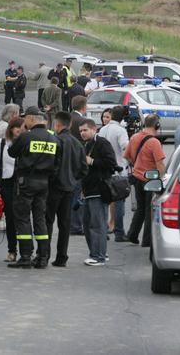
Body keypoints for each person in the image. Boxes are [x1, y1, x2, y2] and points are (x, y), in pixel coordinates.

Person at [7, 106, 61, 269]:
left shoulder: (26, 137)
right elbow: (57, 163)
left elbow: (11, 152)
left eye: (25, 119)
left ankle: (25, 256)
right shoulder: (53, 139)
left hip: (26, 182)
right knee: (40, 219)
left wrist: (23, 133)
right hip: (44, 183)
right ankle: (42, 257)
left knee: (22, 218)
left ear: (30, 119)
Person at [45, 112, 88, 267]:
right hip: (70, 188)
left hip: (54, 188)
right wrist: (73, 179)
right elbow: (84, 169)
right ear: (70, 125)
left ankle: (44, 255)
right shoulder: (78, 144)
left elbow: (50, 165)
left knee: (47, 221)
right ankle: (62, 257)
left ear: (57, 125)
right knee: (65, 224)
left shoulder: (55, 141)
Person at [79, 118, 116, 266]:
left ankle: (98, 256)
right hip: (88, 190)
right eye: (80, 131)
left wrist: (93, 161)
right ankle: (99, 253)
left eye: (85, 130)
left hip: (99, 190)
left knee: (97, 224)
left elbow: (111, 164)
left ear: (94, 129)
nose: (82, 133)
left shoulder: (102, 143)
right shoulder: (86, 145)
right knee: (88, 224)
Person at [124, 114, 166, 248]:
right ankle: (147, 241)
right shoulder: (154, 142)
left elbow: (128, 157)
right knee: (150, 211)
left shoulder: (134, 137)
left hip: (137, 178)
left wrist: (138, 165)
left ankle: (132, 234)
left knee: (140, 208)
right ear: (157, 125)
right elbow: (160, 165)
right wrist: (162, 178)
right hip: (150, 180)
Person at [0, 117, 25, 263]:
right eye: (16, 126)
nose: (19, 129)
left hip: (23, 183)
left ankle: (26, 251)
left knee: (23, 219)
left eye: (22, 127)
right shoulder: (2, 143)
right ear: (10, 128)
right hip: (7, 183)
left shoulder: (27, 142)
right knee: (10, 219)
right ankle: (12, 251)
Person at [98, 106, 130, 242]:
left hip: (104, 170)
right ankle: (119, 232)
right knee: (118, 203)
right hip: (119, 170)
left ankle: (103, 229)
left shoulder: (102, 130)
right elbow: (126, 148)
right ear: (122, 118)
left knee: (104, 201)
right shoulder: (121, 131)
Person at [69, 95, 88, 235]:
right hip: (78, 162)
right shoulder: (83, 121)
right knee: (77, 194)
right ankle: (76, 225)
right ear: (83, 107)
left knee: (69, 194)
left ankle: (70, 224)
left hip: (66, 162)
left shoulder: (67, 118)